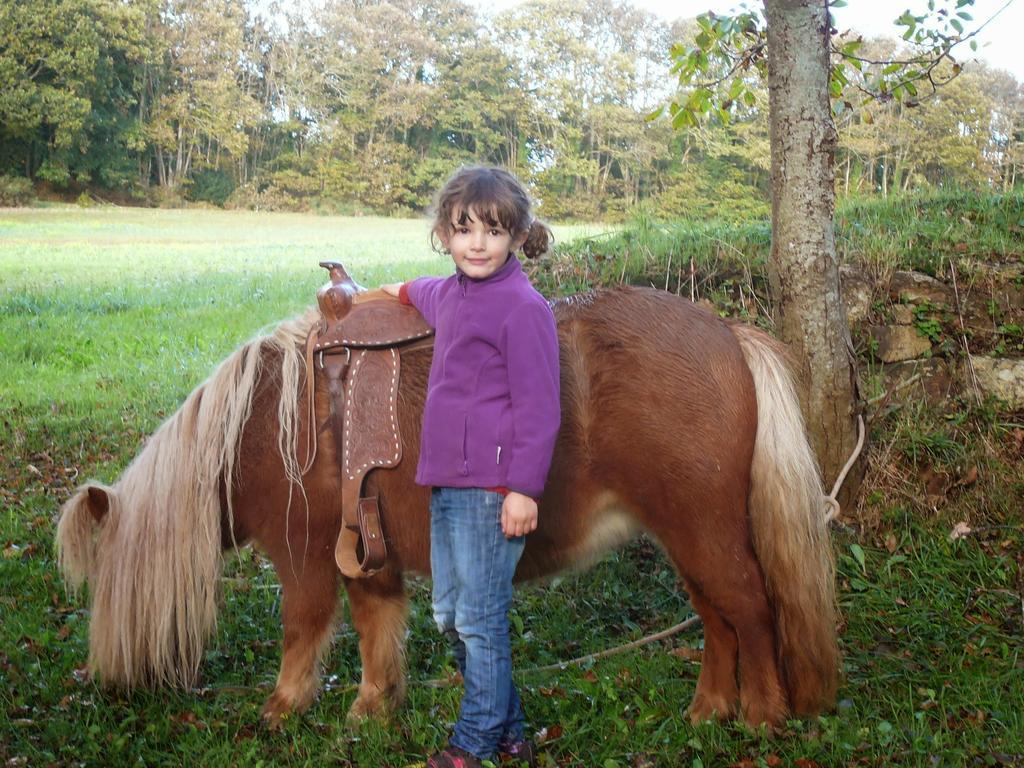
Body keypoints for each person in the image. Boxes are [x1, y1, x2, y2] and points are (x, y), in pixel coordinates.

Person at [381, 166, 560, 768]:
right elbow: (420, 291)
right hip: (447, 484)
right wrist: (385, 293)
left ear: (515, 235)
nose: (477, 243)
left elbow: (539, 407)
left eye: (492, 230)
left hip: (493, 487)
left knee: (481, 622)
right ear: (444, 235)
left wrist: (523, 490)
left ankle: (474, 743)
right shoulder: (452, 291)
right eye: (463, 230)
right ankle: (510, 730)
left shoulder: (522, 307)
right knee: (450, 615)